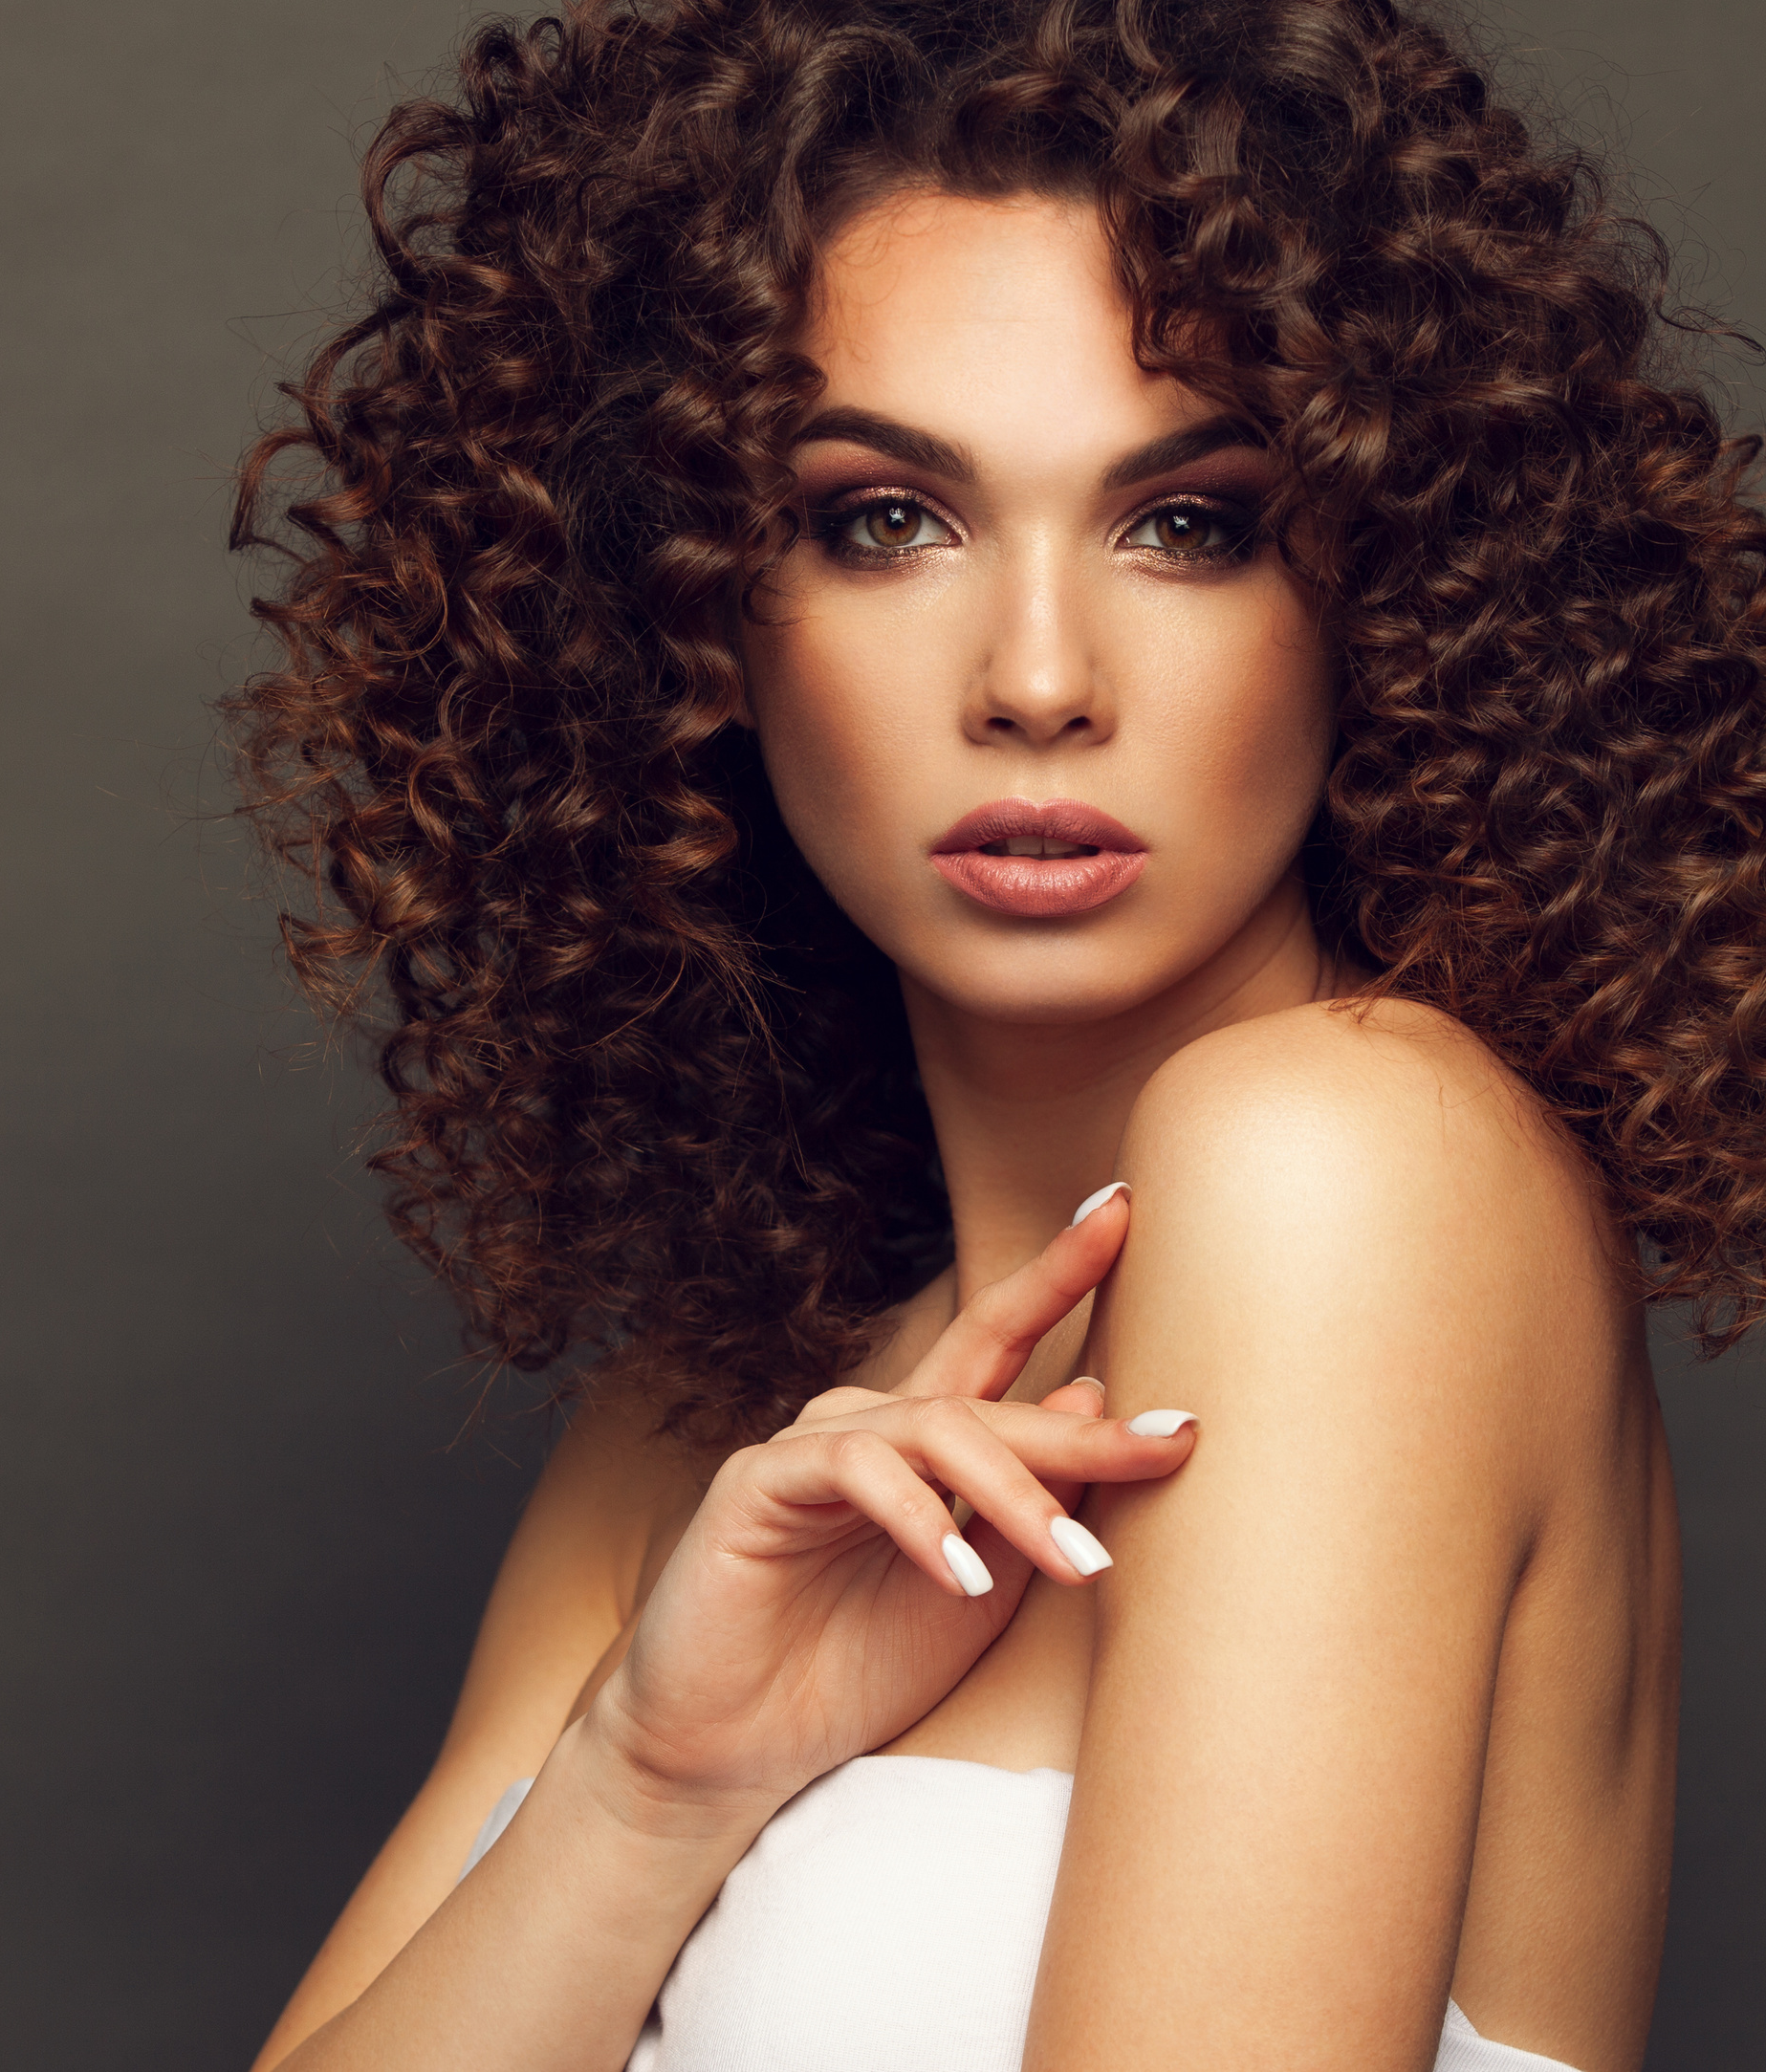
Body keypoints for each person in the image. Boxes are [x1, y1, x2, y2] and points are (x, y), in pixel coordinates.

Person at [227, 2, 1761, 2064]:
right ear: (690, 616)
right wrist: (650, 1781)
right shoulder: (707, 1441)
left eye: (1188, 522)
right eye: (884, 519)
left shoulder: (1348, 1171)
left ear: (1379, 595)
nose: (1037, 677)